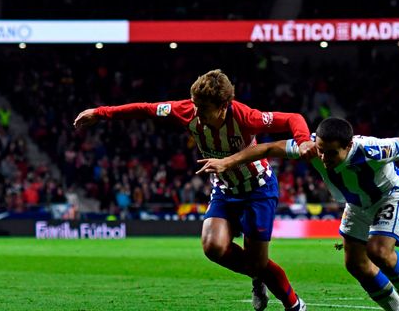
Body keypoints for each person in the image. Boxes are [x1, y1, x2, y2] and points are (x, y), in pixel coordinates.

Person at [74, 69, 317, 311]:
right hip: (225, 189)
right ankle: (278, 291)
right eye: (195, 106)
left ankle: (290, 302)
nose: (197, 114)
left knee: (258, 263)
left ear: (222, 107)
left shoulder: (244, 116)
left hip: (258, 189)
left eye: (203, 109)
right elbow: (145, 109)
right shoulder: (188, 110)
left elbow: (292, 118)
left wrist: (304, 140)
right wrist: (100, 113)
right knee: (213, 247)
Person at [197, 117, 399, 311]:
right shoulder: (311, 148)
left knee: (378, 250)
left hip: (390, 194)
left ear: (348, 147)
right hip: (357, 204)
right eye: (320, 149)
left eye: (330, 153)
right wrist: (227, 163)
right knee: (355, 264)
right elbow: (267, 148)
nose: (322, 157)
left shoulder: (372, 149)